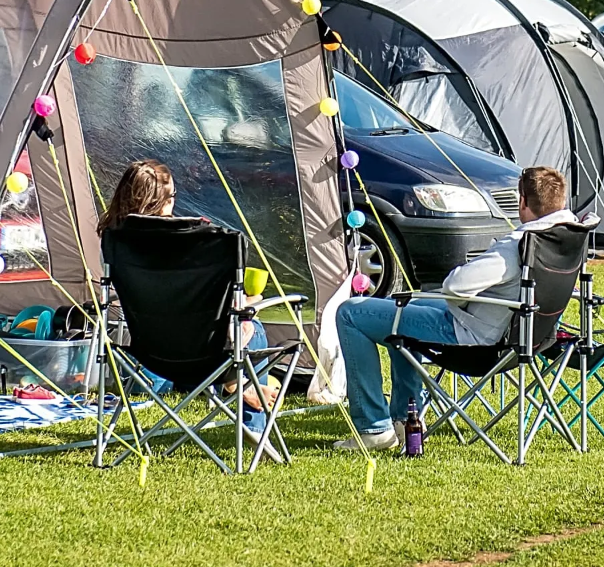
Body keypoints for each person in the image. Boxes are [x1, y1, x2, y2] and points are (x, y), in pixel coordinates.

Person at [331, 165, 579, 451]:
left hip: (475, 340)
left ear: (522, 202)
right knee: (401, 305)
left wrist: (464, 294)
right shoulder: (565, 237)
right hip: (525, 339)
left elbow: (456, 287)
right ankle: (404, 417)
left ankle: (374, 427)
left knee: (351, 312)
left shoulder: (518, 245)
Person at [99, 160, 277, 446]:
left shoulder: (114, 241)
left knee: (227, 327)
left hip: (150, 353)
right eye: (172, 197)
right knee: (251, 324)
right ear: (161, 201)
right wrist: (245, 301)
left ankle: (238, 386)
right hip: (205, 352)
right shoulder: (195, 242)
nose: (174, 202)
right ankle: (252, 420)